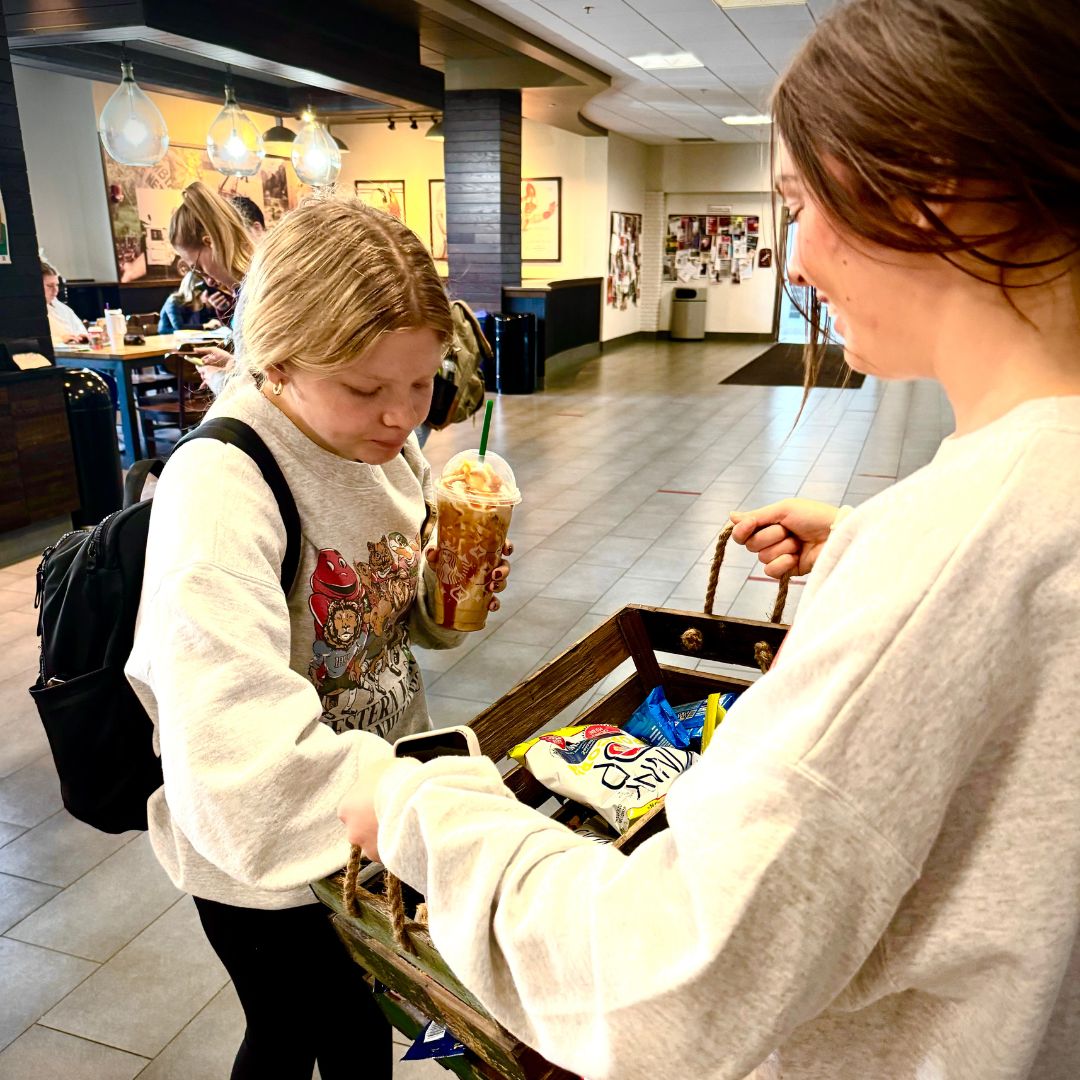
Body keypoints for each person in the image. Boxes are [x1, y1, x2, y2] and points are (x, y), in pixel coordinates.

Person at [338, 2, 1080, 1078]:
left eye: (798, 202)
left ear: (931, 179)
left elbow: (663, 982)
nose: (803, 258)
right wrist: (871, 540)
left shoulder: (962, 545)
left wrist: (419, 805)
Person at [125, 195, 512, 1080]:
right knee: (300, 1031)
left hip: (364, 822)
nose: (403, 417)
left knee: (357, 1034)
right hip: (266, 859)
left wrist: (447, 587)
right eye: (366, 389)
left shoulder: (386, 449)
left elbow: (392, 625)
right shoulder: (222, 490)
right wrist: (439, 814)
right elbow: (236, 769)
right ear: (276, 362)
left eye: (421, 383)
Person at [168, 181, 253, 388]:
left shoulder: (257, 292)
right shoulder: (249, 287)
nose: (205, 279)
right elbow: (261, 367)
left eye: (196, 267)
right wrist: (231, 362)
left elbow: (264, 388)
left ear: (210, 243)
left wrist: (217, 379)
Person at [41, 259, 87, 343]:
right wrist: (61, 340)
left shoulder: (62, 307)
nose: (55, 290)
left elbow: (80, 328)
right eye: (50, 285)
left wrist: (82, 336)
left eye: (57, 285)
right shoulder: (31, 312)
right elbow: (33, 342)